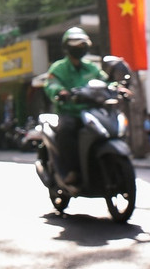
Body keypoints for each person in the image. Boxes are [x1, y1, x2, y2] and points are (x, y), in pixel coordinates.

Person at [44, 27, 107, 186]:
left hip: (93, 112)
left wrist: (117, 87)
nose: (79, 47)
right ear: (66, 47)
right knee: (66, 130)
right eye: (75, 44)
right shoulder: (58, 68)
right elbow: (51, 84)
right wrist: (60, 92)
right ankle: (72, 170)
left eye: (82, 44)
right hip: (70, 113)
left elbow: (104, 81)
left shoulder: (92, 67)